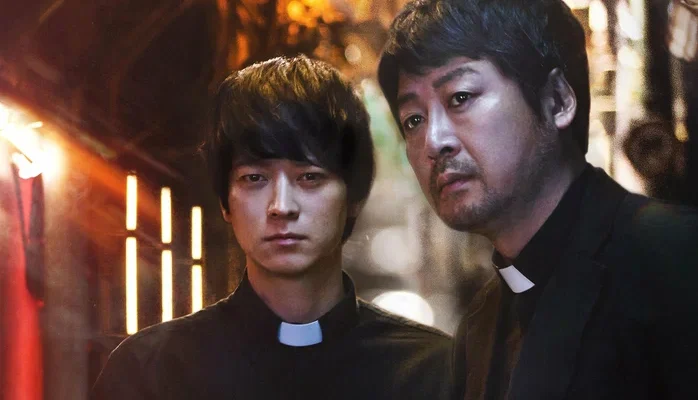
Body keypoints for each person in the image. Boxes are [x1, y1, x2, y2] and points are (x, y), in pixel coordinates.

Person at [377, 0, 698, 399]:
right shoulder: (479, 329)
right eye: (413, 119)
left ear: (557, 100)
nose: (433, 141)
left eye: (460, 97)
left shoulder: (675, 257)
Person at [91, 55, 452, 400]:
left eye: (309, 177)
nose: (281, 207)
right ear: (225, 201)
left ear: (354, 196)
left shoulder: (431, 371)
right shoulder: (149, 371)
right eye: (254, 178)